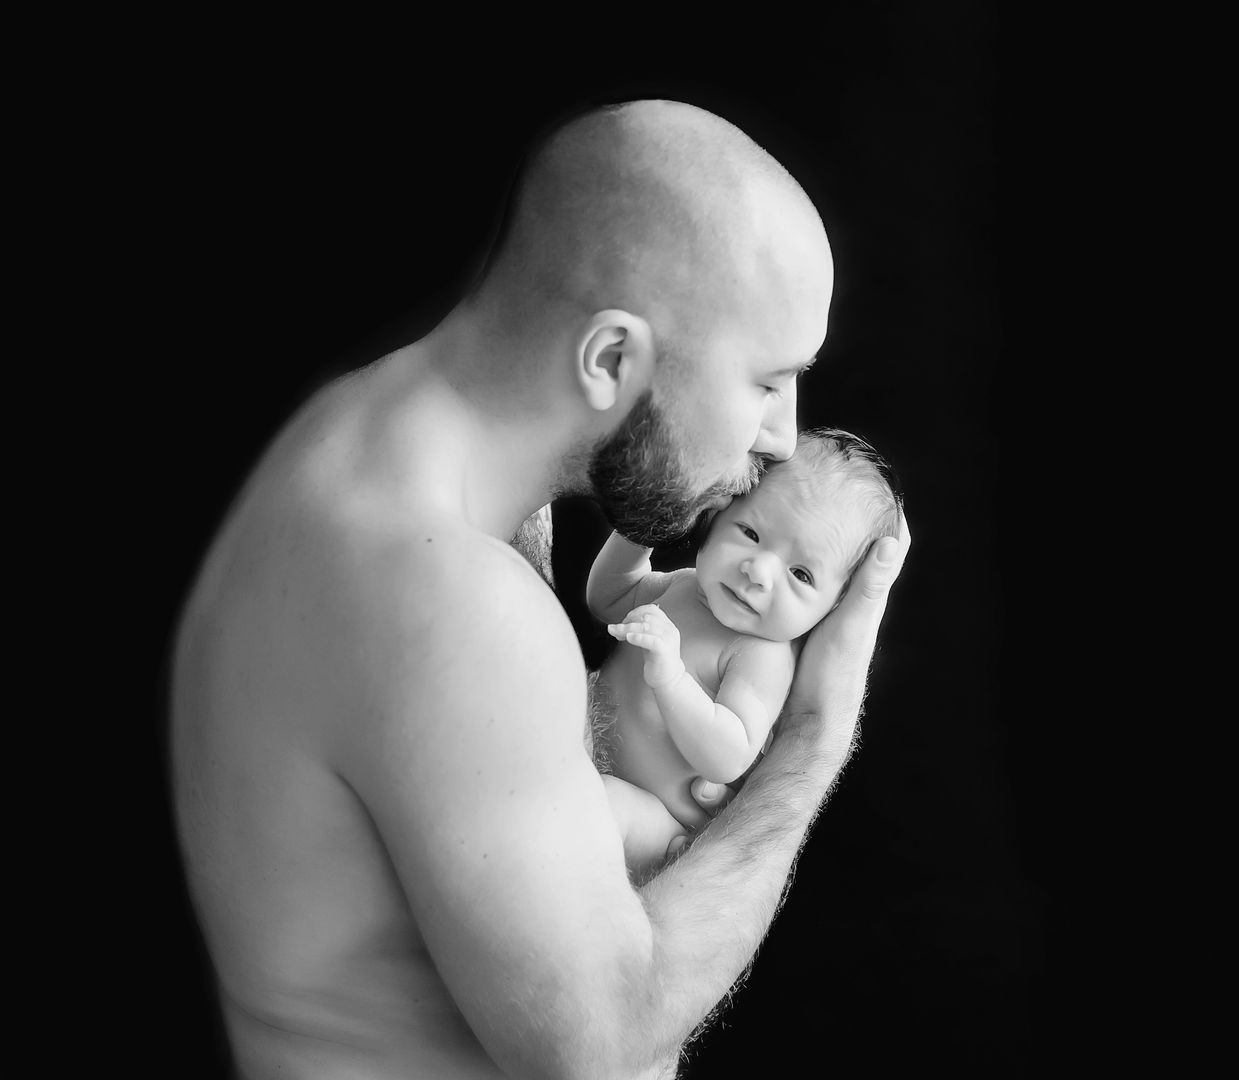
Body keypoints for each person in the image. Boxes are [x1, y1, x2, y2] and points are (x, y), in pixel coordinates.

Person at [170, 98, 909, 1079]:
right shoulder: (450, 601)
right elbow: (602, 1046)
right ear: (610, 358)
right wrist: (815, 735)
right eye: (767, 382)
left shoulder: (371, 440)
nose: (781, 437)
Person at [589, 429, 902, 875]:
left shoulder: (761, 656)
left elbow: (728, 755)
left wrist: (671, 677)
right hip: (585, 759)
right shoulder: (685, 586)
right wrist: (642, 529)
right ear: (716, 516)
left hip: (655, 822)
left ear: (833, 606)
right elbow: (608, 598)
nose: (758, 571)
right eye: (751, 532)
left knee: (593, 802)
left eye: (800, 573)